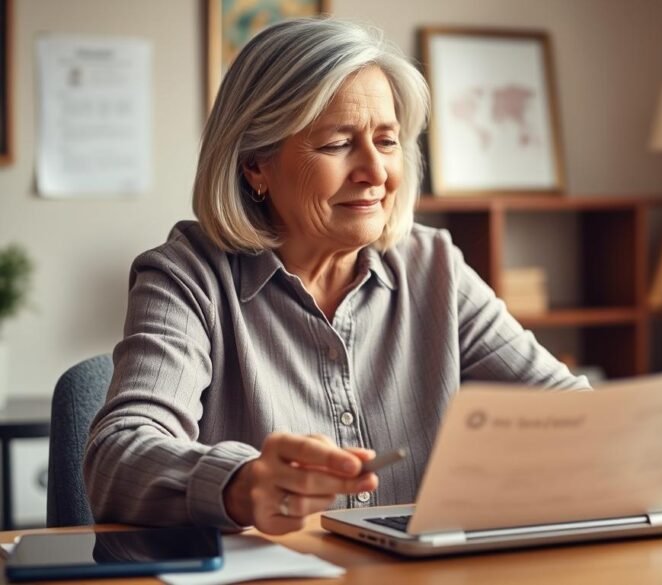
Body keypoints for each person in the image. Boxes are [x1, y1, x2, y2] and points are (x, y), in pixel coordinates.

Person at [84, 18, 588, 536]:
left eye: (387, 141)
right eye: (337, 144)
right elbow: (118, 455)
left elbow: (576, 417)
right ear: (256, 166)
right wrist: (240, 482)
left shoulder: (433, 265)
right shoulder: (188, 276)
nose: (375, 171)